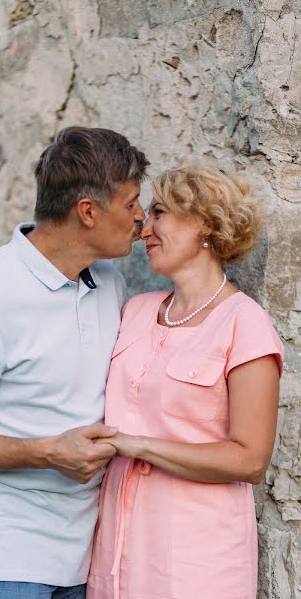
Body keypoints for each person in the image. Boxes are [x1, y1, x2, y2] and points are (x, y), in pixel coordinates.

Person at [0, 126, 148, 599]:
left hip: (87, 555)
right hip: (5, 558)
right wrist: (46, 452)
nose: (141, 218)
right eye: (131, 203)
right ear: (87, 212)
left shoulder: (109, 283)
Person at [87, 163, 284, 599]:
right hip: (117, 555)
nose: (144, 231)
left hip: (197, 561)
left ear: (206, 224)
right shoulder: (135, 311)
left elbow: (249, 460)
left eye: (159, 213)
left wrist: (135, 445)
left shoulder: (244, 325)